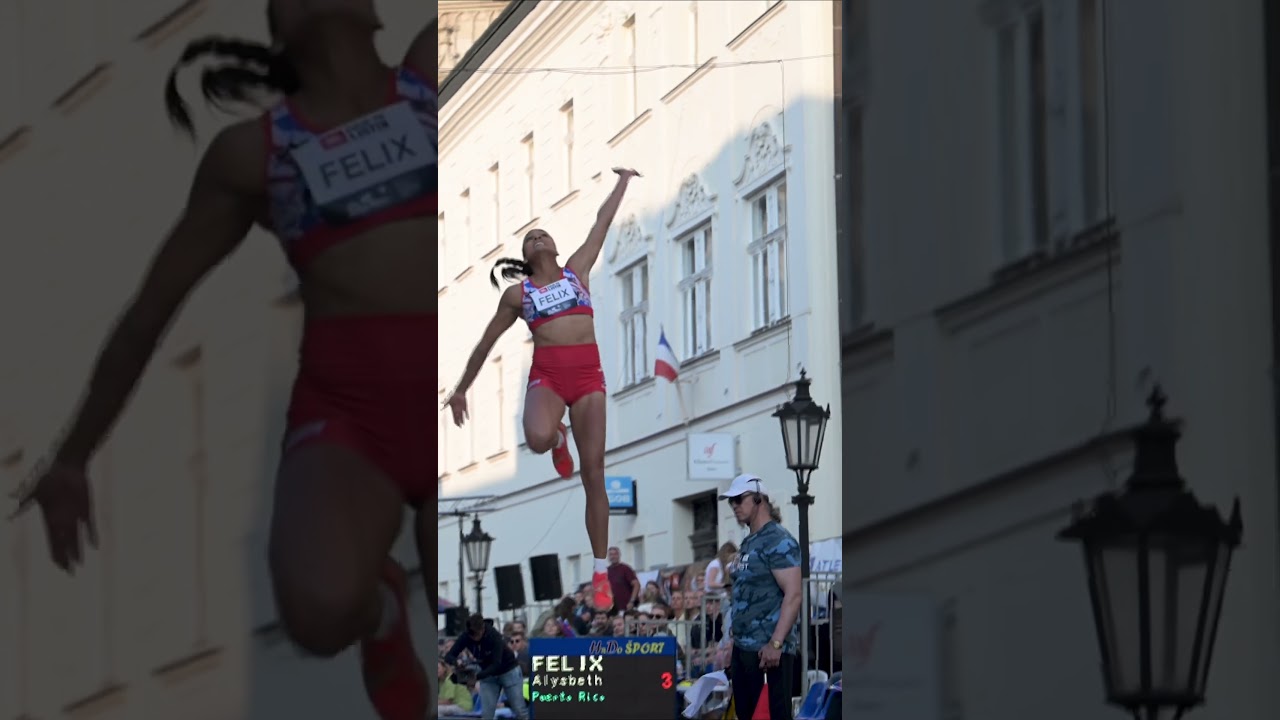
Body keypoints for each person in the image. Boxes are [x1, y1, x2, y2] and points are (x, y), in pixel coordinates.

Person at [8, 2, 438, 718]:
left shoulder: (431, 71)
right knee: (319, 610)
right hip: (350, 409)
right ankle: (379, 611)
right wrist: (72, 457)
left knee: (473, 622)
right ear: (280, 25)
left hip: (453, 392)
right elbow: (151, 309)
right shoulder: (256, 153)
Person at [445, 167, 641, 612]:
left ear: (553, 246)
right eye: (530, 237)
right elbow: (485, 342)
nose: (537, 238)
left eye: (542, 234)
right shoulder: (520, 294)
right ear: (526, 254)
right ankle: (557, 437)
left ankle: (598, 572)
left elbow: (602, 223)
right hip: (549, 377)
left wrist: (623, 181)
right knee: (535, 438)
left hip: (589, 377)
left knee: (594, 471)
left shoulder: (577, 270)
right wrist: (460, 390)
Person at [719, 474, 803, 720]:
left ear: (758, 499)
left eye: (738, 499)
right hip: (745, 648)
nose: (734, 506)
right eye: (730, 501)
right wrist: (734, 642)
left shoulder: (778, 540)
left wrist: (776, 643)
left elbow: (794, 594)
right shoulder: (749, 542)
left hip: (768, 653)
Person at [443, 614, 530, 720]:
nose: (475, 638)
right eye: (472, 635)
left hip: (508, 670)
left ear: (482, 629)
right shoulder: (466, 636)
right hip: (487, 674)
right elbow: (448, 656)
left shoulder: (494, 636)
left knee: (519, 710)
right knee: (487, 714)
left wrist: (475, 677)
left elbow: (496, 664)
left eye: (477, 635)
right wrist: (456, 662)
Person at [607, 545, 642, 612]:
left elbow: (636, 585)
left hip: (626, 607)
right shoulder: (606, 571)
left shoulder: (625, 569)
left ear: (619, 555)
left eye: (615, 554)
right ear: (608, 557)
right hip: (612, 609)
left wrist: (632, 601)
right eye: (611, 554)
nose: (613, 556)